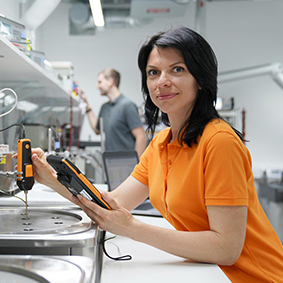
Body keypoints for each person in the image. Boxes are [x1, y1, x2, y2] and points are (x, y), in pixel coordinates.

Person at [31, 27, 283, 282]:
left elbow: (226, 248)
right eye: (153, 72)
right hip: (211, 274)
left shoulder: (219, 141)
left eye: (177, 69)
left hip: (256, 276)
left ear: (201, 78)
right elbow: (110, 205)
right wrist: (51, 178)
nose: (162, 81)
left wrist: (131, 228)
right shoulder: (161, 144)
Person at [81, 68, 147, 158]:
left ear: (110, 82)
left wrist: (135, 165)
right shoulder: (105, 107)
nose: (97, 86)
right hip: (111, 163)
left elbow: (141, 138)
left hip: (126, 164)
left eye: (100, 82)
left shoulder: (127, 106)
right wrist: (87, 106)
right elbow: (97, 130)